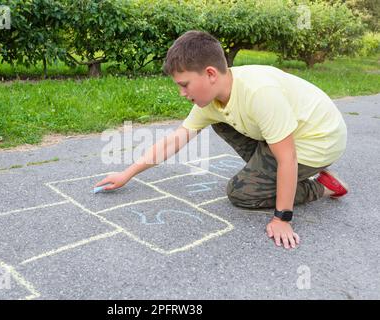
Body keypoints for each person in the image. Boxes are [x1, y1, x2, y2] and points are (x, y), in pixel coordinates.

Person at [94, 30, 349, 249]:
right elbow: (175, 140)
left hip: (318, 140)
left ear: (210, 74)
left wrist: (282, 218)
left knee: (241, 193)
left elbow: (288, 157)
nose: (182, 93)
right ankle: (269, 174)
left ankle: (324, 186)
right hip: (286, 135)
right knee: (221, 124)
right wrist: (127, 174)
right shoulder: (212, 100)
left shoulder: (259, 93)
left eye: (184, 85)